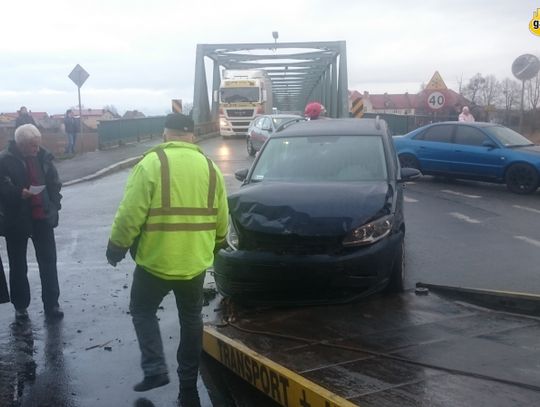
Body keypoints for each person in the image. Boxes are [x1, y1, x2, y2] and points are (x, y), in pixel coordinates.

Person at [106, 113, 228, 406]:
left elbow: (129, 214)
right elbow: (222, 217)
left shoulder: (151, 164)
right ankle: (188, 381)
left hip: (155, 262)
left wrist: (117, 247)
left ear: (165, 135)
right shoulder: (211, 168)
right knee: (191, 320)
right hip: (194, 263)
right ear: (193, 136)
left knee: (142, 310)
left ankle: (154, 367)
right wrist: (218, 245)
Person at [0, 124, 63, 321]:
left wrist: (54, 206)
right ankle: (20, 306)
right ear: (20, 144)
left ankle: (52, 304)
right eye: (32, 146)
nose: (36, 150)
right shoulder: (4, 160)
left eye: (37, 145)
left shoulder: (43, 156)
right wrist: (19, 193)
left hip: (42, 217)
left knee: (48, 262)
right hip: (16, 220)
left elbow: (54, 183)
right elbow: (2, 188)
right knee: (18, 264)